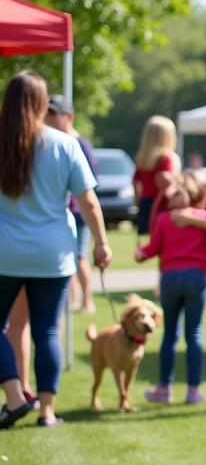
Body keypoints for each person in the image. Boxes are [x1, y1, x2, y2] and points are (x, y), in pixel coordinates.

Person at [0, 70, 112, 429]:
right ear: (40, 103)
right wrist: (102, 243)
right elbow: (89, 202)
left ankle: (16, 395)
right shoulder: (64, 144)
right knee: (46, 331)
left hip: (5, 251)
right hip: (53, 253)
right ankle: (47, 411)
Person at [135, 172, 206, 405]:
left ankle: (164, 389)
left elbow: (152, 248)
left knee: (169, 335)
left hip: (170, 278)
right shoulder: (204, 218)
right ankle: (193, 391)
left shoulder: (165, 219)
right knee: (194, 333)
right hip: (196, 278)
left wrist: (140, 253)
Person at [45, 95, 98, 312]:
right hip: (61, 212)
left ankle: (87, 299)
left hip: (78, 212)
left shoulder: (79, 144)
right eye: (46, 112)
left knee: (79, 257)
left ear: (68, 116)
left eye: (53, 113)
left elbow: (90, 183)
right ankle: (73, 298)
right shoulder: (47, 142)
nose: (48, 117)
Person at [133, 115, 179, 236]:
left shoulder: (141, 159)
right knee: (162, 237)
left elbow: (136, 180)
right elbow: (165, 179)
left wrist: (137, 199)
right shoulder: (166, 158)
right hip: (161, 203)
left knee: (146, 238)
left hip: (145, 203)